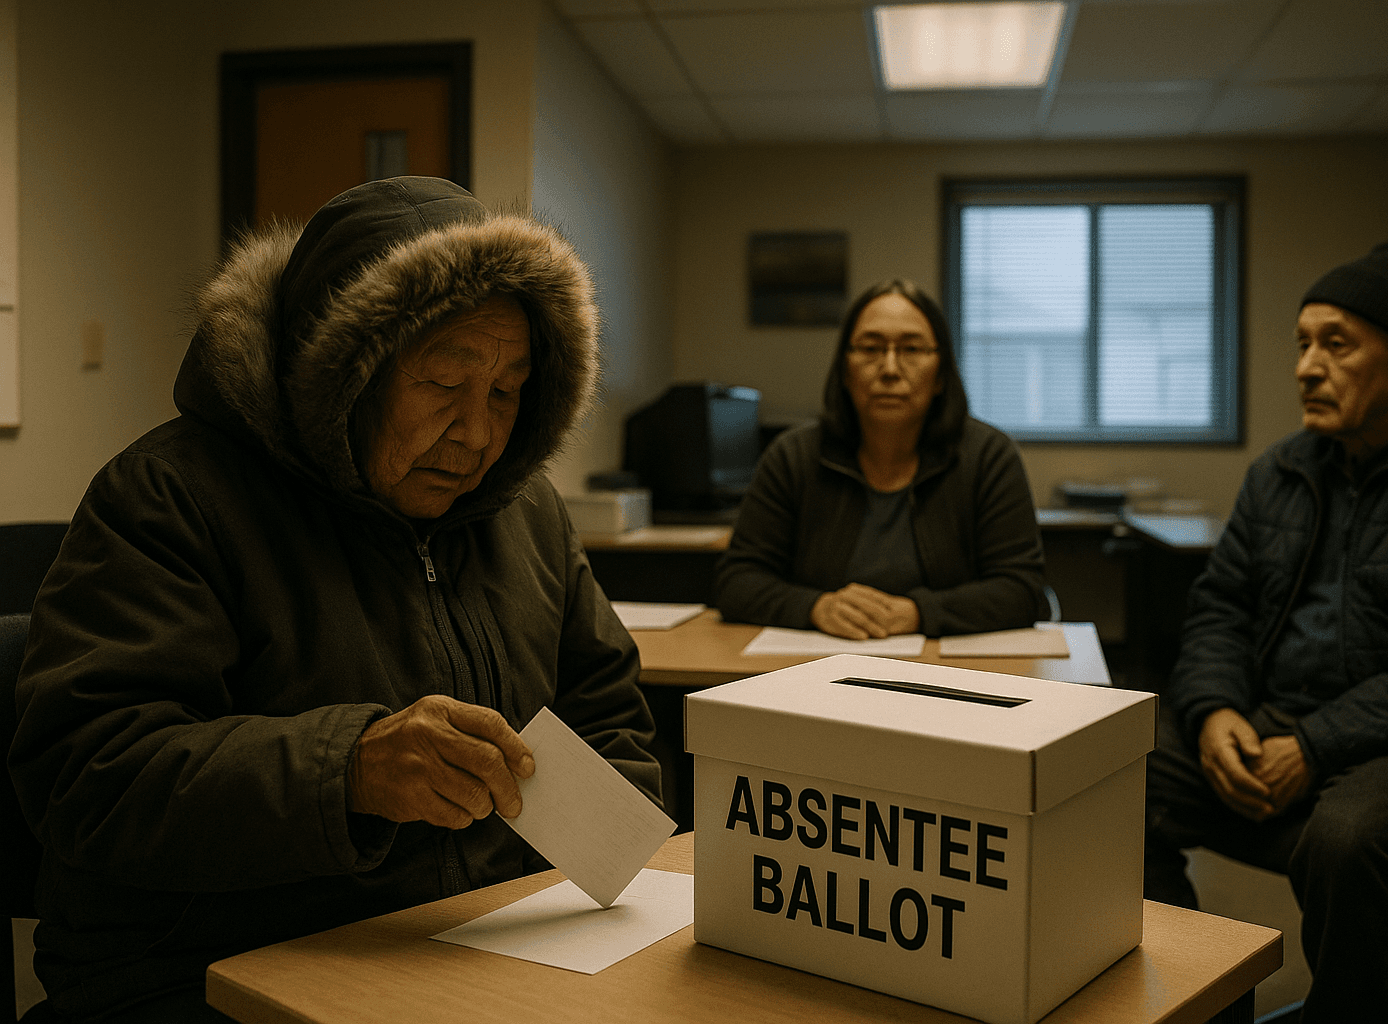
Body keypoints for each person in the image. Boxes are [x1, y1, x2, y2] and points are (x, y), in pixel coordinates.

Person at [8, 177, 662, 1023]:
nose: (478, 434)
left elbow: (610, 719)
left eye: (506, 392)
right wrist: (347, 770)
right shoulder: (170, 498)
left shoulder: (525, 513)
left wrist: (608, 858)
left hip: (483, 950)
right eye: (444, 382)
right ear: (341, 373)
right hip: (209, 974)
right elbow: (89, 777)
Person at [1143, 241, 1388, 1023]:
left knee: (1348, 839)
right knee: (1108, 772)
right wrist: (1215, 710)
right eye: (1301, 344)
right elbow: (1219, 609)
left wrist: (1316, 745)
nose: (1306, 367)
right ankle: (1199, 1002)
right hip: (1278, 720)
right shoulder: (1280, 471)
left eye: (1336, 344)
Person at [716, 279, 1047, 639]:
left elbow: (1023, 591)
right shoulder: (793, 458)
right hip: (819, 663)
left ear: (940, 375)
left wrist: (919, 614)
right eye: (871, 348)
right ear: (845, 370)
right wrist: (816, 607)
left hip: (946, 668)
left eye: (911, 349)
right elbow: (736, 582)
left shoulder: (988, 457)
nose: (889, 368)